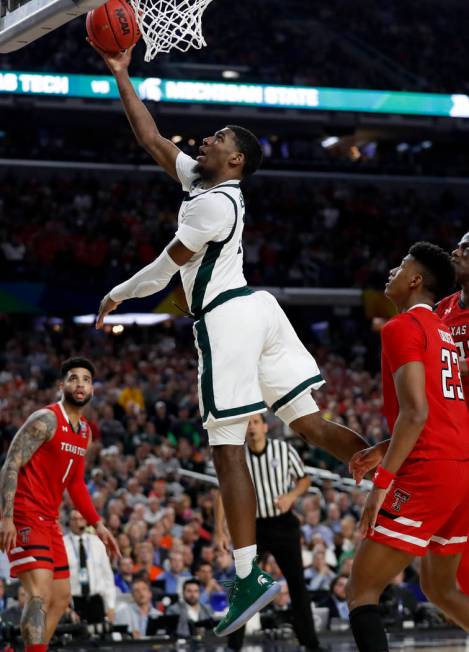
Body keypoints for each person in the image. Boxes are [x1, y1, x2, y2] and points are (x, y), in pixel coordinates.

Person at [90, 42, 369, 637]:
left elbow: (166, 271)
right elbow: (153, 140)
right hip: (259, 308)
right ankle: (388, 471)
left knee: (226, 444)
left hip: (227, 317)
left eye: (219, 138)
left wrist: (116, 294)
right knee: (310, 423)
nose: (205, 141)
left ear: (237, 161)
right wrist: (121, 74)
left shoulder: (216, 206)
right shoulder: (204, 185)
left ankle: (247, 577)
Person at [346, 242, 469, 652]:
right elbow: (435, 407)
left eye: (401, 265)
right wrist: (385, 445)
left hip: (430, 469)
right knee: (439, 587)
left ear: (415, 280)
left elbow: (415, 413)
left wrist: (382, 484)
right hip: (460, 467)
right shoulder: (444, 332)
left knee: (361, 589)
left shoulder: (401, 327)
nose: (392, 271)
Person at [0, 357, 120, 652]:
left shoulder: (85, 432)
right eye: (73, 378)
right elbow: (9, 465)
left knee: (62, 596)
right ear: (61, 385)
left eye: (86, 379)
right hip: (26, 514)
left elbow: (76, 484)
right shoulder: (46, 419)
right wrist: (7, 517)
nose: (80, 383)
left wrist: (99, 525)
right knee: (38, 594)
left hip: (49, 519)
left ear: (92, 389)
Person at [215, 414, 325, 652]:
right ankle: (233, 646)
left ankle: (311, 644)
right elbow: (222, 493)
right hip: (252, 527)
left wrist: (291, 496)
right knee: (243, 585)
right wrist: (219, 531)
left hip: (283, 524)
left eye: (256, 422)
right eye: (248, 423)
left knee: (297, 585)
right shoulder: (237, 457)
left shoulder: (283, 450)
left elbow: (304, 481)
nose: (252, 427)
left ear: (265, 427)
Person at [435, 231, 469, 594]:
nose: (455, 252)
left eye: (465, 249)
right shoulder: (442, 309)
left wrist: (456, 366)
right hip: (455, 442)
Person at [63, 510, 116, 623]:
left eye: (81, 518)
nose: (78, 522)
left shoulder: (98, 543)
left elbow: (107, 576)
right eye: (74, 519)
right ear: (69, 522)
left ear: (86, 521)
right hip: (74, 601)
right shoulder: (62, 544)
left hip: (96, 600)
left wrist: (110, 605)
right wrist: (65, 606)